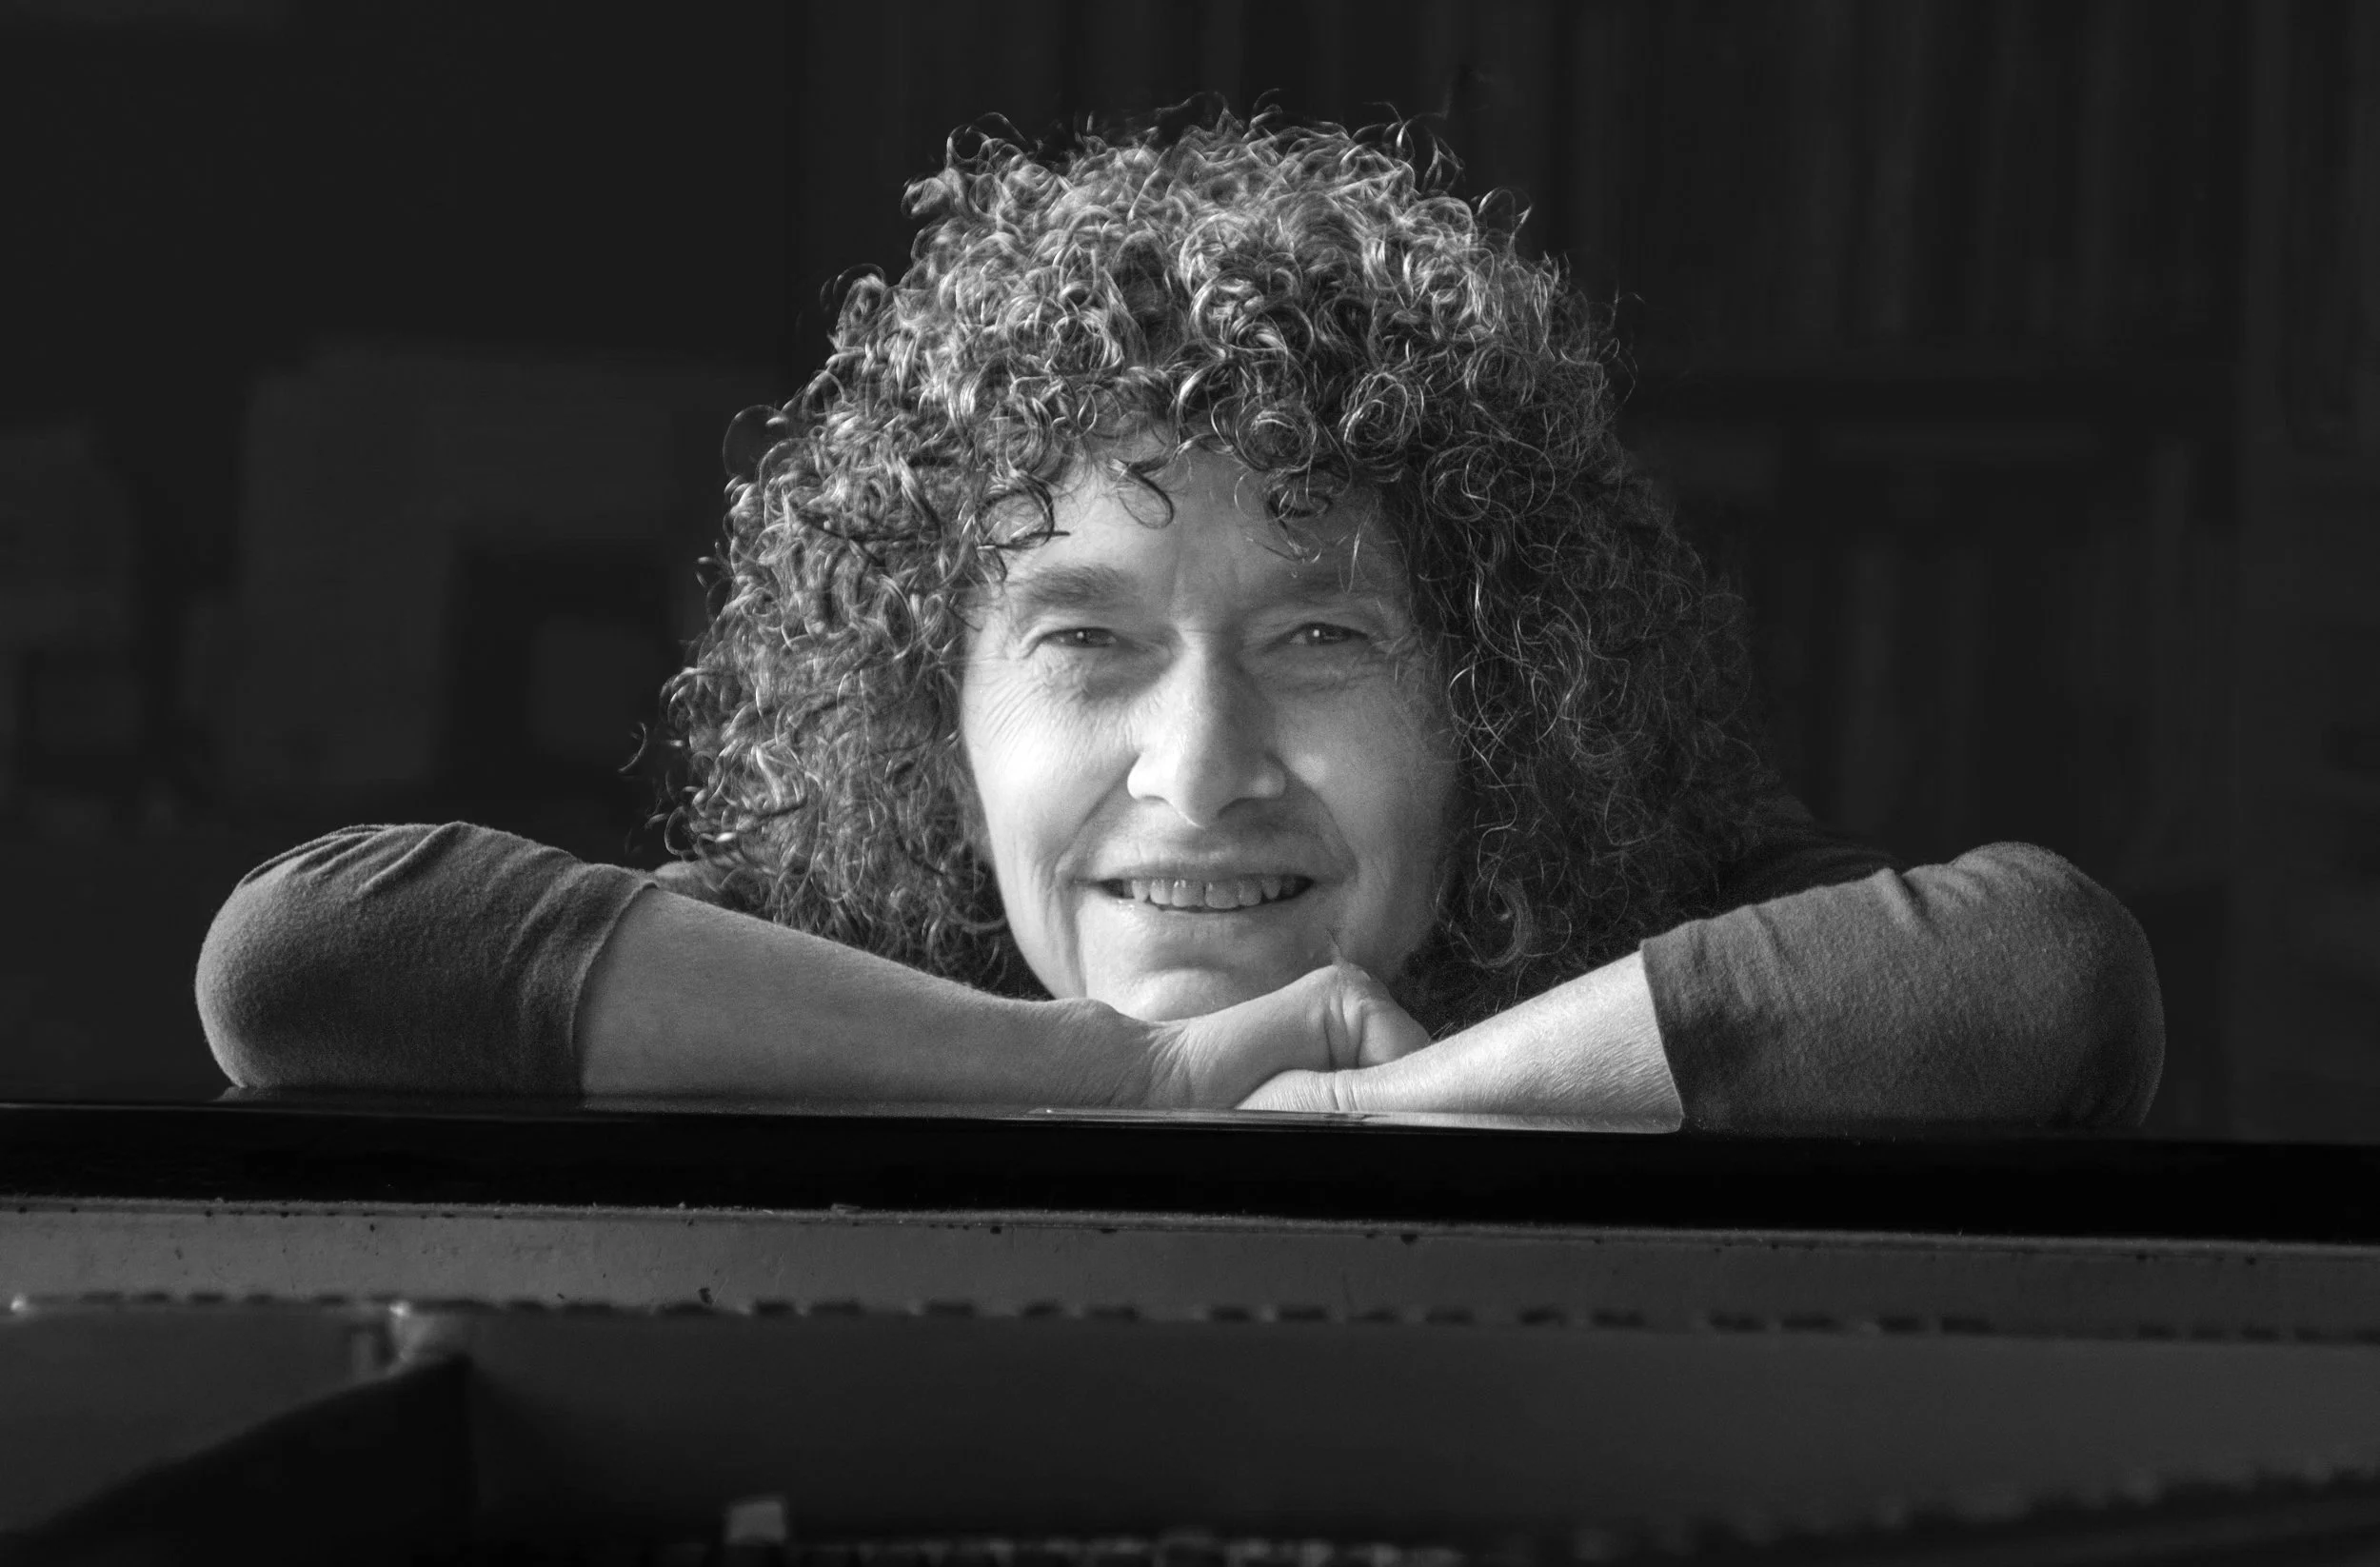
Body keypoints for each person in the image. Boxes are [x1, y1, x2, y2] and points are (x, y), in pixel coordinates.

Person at [196, 113, 2163, 1131]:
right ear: (934, 712)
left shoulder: (1620, 925)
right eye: (1085, 641)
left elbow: (2044, 979)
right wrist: (1119, 1080)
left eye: (1321, 637)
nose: (1200, 773)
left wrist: (1371, 1107)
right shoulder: (834, 955)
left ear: (1493, 695)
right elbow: (304, 958)